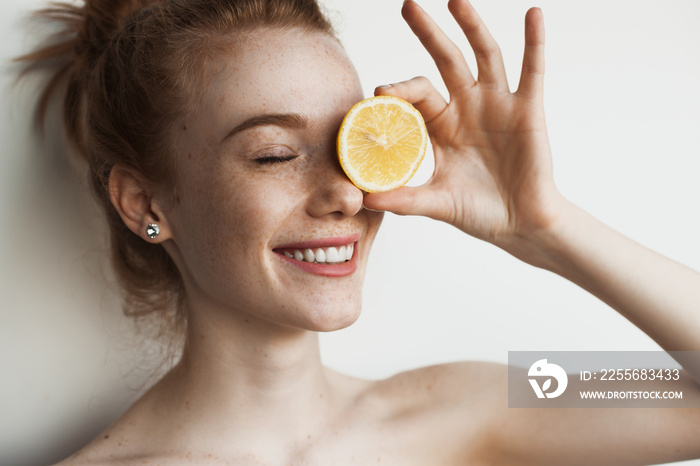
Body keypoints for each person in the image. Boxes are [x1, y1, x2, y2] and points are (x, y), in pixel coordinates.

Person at [14, 0, 700, 464]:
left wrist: (548, 226)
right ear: (143, 202)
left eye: (350, 143)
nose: (345, 191)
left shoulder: (469, 407)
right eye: (276, 154)